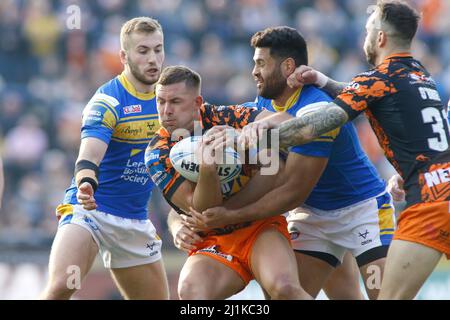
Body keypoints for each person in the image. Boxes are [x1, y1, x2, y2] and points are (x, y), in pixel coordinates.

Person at [184, 26, 395, 300]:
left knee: (389, 297)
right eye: (253, 63)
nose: (254, 71)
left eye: (261, 63)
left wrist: (232, 217)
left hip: (362, 212)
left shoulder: (316, 108)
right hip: (313, 217)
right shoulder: (264, 102)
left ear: (287, 66)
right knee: (284, 294)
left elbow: (294, 190)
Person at [265, 0, 450, 300]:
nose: (363, 38)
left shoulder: (378, 80)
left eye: (367, 31)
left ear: (380, 38)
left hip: (431, 201)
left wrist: (254, 141)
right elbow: (375, 97)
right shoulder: (420, 75)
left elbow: (319, 125)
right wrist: (324, 81)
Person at [145, 65, 310, 300]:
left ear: (197, 102)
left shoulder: (223, 116)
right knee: (192, 294)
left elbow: (290, 123)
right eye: (160, 101)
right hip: (214, 238)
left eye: (175, 102)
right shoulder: (157, 152)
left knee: (285, 289)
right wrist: (208, 169)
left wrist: (260, 125)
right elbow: (202, 210)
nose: (166, 111)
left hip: (259, 226)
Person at [40, 17, 169, 300]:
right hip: (91, 210)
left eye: (158, 49)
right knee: (64, 283)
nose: (153, 59)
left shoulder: (171, 97)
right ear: (124, 57)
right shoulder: (108, 101)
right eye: (143, 51)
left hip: (134, 219)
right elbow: (88, 156)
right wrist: (86, 182)